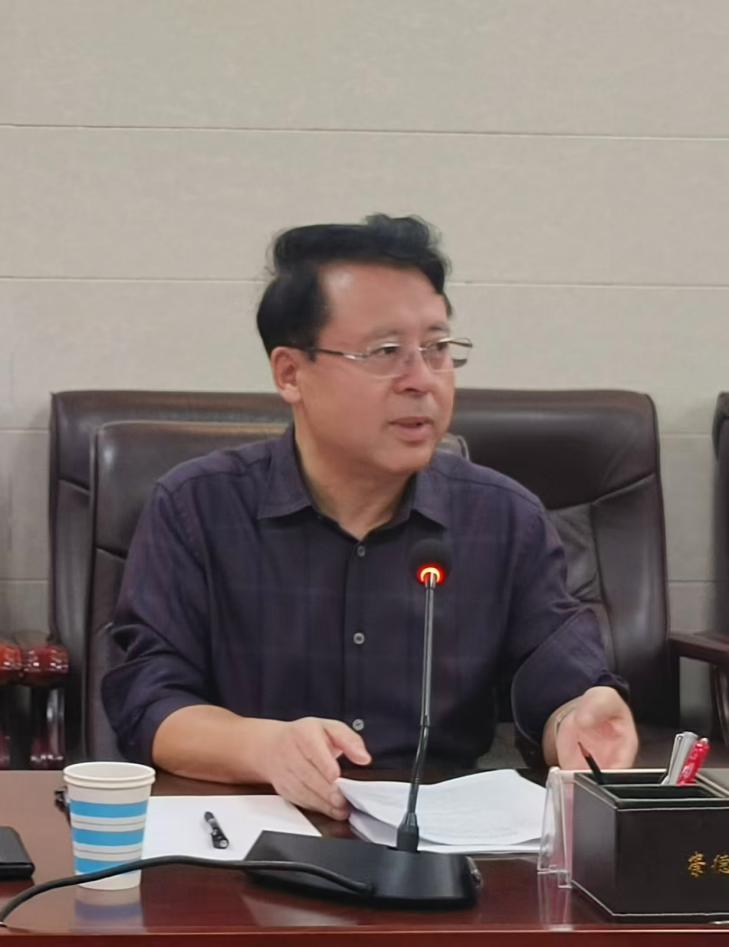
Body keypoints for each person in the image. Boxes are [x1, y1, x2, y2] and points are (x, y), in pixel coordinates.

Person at [102, 214, 638, 820]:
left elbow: (558, 678)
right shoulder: (196, 507)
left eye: (437, 348)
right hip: (247, 834)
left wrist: (578, 719)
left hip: (443, 845)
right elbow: (148, 699)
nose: (422, 381)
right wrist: (265, 748)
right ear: (290, 373)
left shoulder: (504, 517)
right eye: (386, 352)